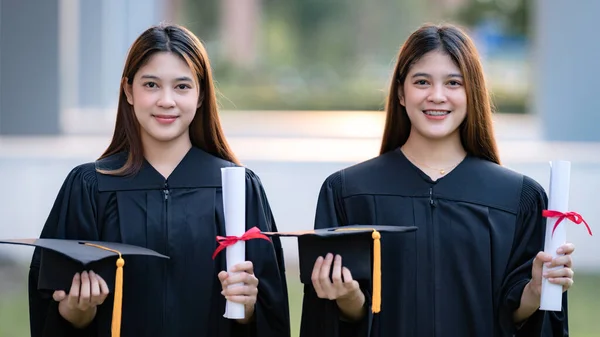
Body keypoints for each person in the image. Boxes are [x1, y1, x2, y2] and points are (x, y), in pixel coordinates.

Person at [299, 23, 574, 337]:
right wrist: (348, 296)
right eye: (422, 81)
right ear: (401, 92)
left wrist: (536, 290)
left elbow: (516, 313)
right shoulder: (348, 192)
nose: (437, 96)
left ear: (472, 93)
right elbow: (338, 316)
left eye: (454, 82)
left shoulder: (518, 198)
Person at [28, 23, 290, 337]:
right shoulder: (89, 187)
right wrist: (76, 311)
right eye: (151, 85)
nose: (166, 100)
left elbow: (271, 315)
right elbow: (51, 308)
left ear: (201, 94)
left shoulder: (238, 188)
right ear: (128, 90)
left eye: (182, 86)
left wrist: (248, 309)